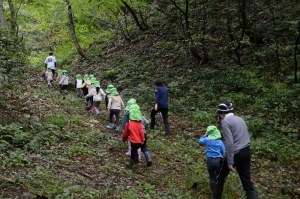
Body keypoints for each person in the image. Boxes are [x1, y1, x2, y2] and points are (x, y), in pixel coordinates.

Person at [213, 102, 258, 199]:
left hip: (235, 153)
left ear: (222, 113)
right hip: (246, 151)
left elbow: (229, 142)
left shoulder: (225, 122)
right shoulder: (240, 119)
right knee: (246, 180)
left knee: (219, 177)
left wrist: (230, 162)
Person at [199, 125, 225, 192]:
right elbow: (223, 151)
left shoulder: (207, 140)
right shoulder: (220, 142)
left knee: (211, 176)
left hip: (209, 160)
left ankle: (212, 189)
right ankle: (217, 190)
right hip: (218, 160)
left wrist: (204, 135)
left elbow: (200, 141)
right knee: (218, 175)